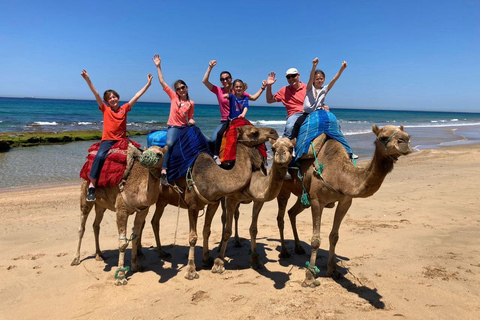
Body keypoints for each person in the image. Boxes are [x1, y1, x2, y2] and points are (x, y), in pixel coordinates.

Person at [81, 69, 153, 202]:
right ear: (107, 101)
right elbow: (96, 93)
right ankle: (92, 185)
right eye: (110, 98)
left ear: (118, 98)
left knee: (139, 155)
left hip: (122, 141)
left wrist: (148, 84)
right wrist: (87, 79)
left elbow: (136, 96)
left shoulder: (124, 108)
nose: (112, 99)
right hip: (108, 140)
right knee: (100, 156)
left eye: (114, 97)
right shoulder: (105, 109)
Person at [152, 53, 195, 186]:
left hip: (184, 128)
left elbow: (190, 118)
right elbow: (162, 82)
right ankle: (164, 171)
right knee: (169, 144)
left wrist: (192, 121)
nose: (181, 90)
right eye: (178, 89)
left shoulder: (191, 103)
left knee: (200, 143)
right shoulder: (173, 97)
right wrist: (158, 66)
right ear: (175, 91)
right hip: (173, 127)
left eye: (183, 87)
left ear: (186, 88)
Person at [211, 79, 267, 163]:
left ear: (243, 88)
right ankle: (216, 155)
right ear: (233, 88)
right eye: (236, 87)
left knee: (256, 132)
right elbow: (228, 96)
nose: (238, 88)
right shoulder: (232, 96)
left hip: (241, 120)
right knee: (220, 134)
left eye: (240, 87)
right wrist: (226, 95)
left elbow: (245, 107)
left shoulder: (245, 98)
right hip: (231, 120)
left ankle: (264, 152)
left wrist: (243, 115)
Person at [202, 60, 250, 154]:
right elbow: (205, 81)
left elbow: (253, 98)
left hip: (237, 120)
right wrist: (210, 68)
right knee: (212, 140)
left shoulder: (237, 91)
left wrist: (264, 87)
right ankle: (216, 156)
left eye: (227, 78)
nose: (225, 81)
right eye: (222, 79)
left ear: (231, 79)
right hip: (224, 121)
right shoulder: (218, 90)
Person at [265, 68, 307, 139]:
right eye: (288, 77)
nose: (291, 79)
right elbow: (269, 100)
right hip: (294, 115)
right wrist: (269, 86)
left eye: (293, 76)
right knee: (290, 127)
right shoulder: (284, 90)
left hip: (308, 113)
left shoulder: (307, 87)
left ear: (298, 76)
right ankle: (283, 145)